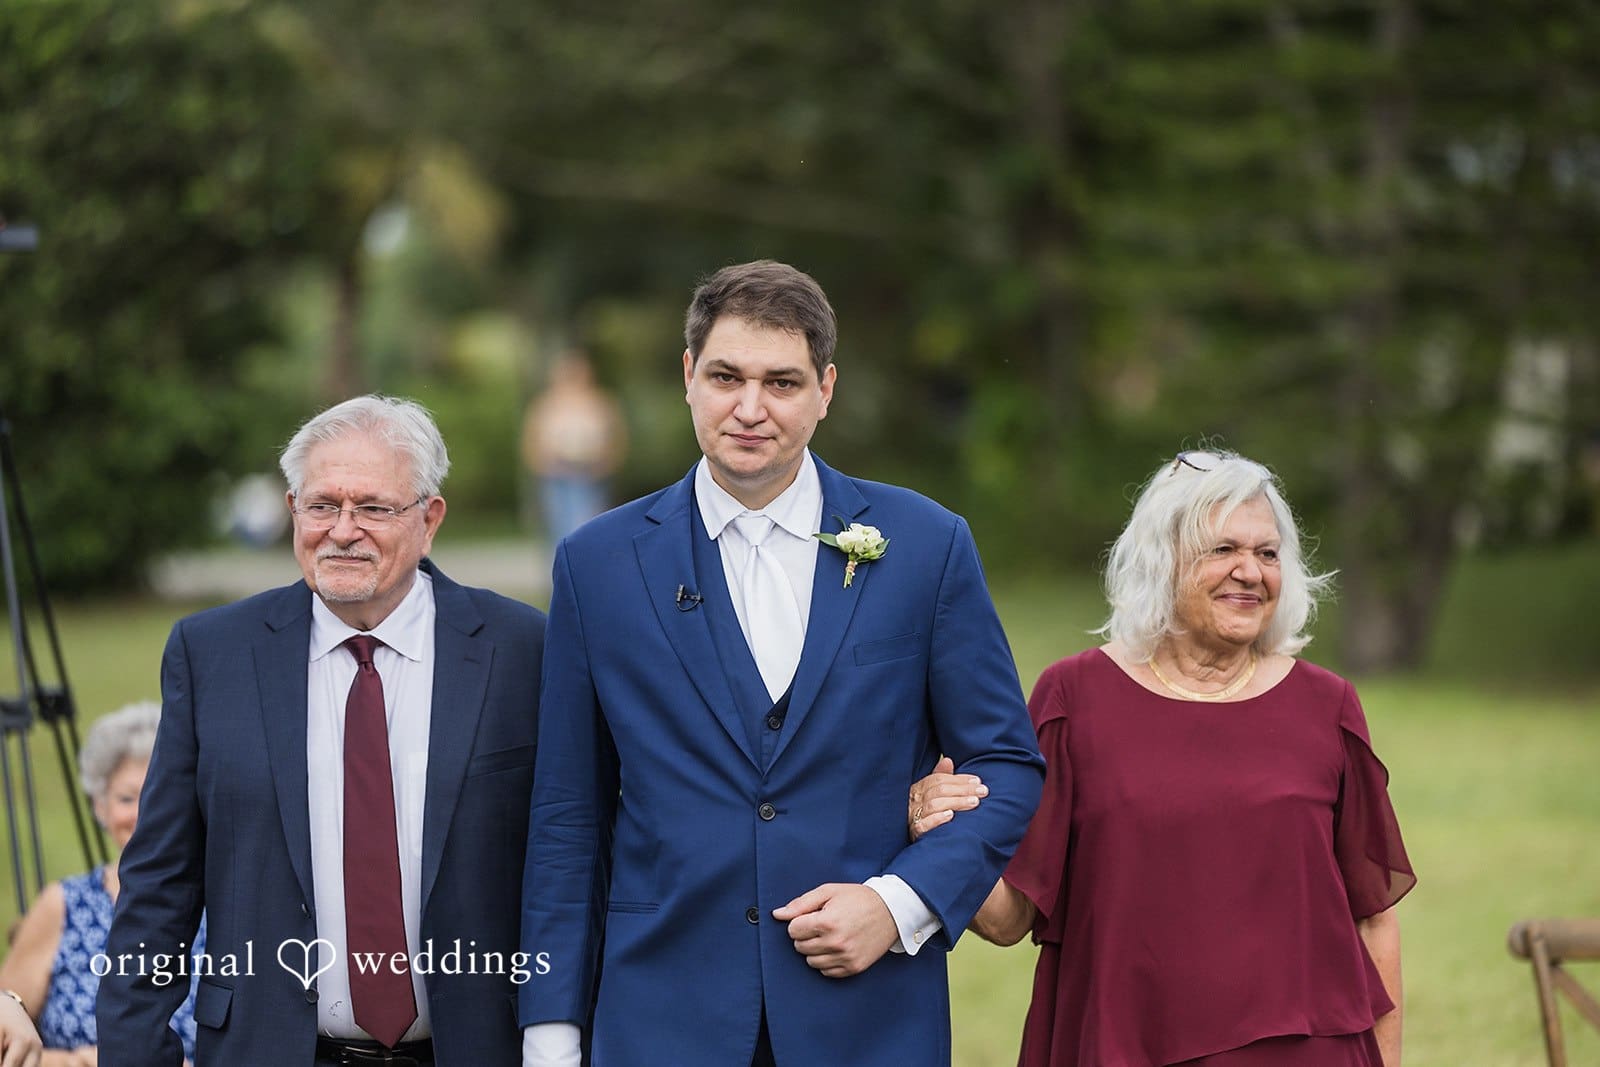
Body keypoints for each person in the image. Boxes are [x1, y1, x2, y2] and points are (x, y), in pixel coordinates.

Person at [517, 260, 1045, 1067]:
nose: (750, 408)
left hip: (869, 1022)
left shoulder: (926, 545)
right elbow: (566, 817)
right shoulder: (597, 563)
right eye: (726, 376)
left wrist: (897, 901)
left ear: (825, 389)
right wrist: (551, 1037)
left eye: (783, 382)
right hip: (661, 1020)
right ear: (688, 375)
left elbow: (1005, 762)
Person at [910, 448, 1416, 1066]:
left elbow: (1374, 920)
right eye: (1223, 549)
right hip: (1124, 1045)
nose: (1250, 572)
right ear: (1163, 558)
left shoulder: (1326, 706)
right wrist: (941, 830)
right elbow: (1007, 917)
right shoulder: (1075, 699)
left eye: (1267, 553)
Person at [98, 395, 546, 1067]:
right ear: (292, 511)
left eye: (373, 508)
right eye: (322, 505)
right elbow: (160, 882)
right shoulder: (213, 653)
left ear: (429, 519)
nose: (342, 530)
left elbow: (573, 863)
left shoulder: (522, 649)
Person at [0, 703, 202, 1065]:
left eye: (159, 796)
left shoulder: (230, 902)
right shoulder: (63, 905)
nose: (145, 813)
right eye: (127, 798)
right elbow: (5, 1039)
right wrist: (79, 1062)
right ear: (100, 806)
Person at [520, 351, 627, 542]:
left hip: (591, 473)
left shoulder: (600, 402)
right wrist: (543, 465)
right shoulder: (546, 404)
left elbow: (617, 438)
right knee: (560, 524)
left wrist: (606, 463)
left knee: (591, 521)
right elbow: (531, 441)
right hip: (557, 474)